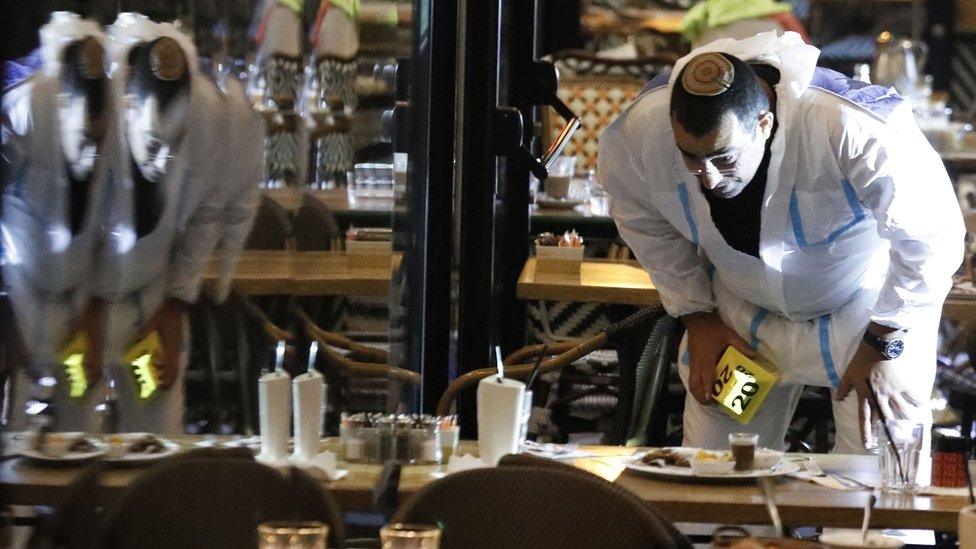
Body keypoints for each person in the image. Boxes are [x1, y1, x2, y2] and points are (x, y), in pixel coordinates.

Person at [598, 32, 964, 453]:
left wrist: (884, 341)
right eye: (692, 159)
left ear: (764, 123)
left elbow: (932, 238)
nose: (710, 177)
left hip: (864, 316)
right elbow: (640, 217)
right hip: (742, 322)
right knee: (719, 472)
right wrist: (697, 316)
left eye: (724, 157)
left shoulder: (848, 124)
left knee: (877, 486)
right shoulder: (645, 129)